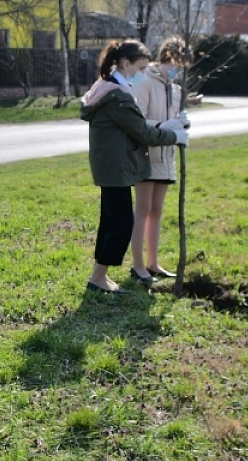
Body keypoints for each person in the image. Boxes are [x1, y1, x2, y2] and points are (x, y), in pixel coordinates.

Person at [80, 39, 187, 292]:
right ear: (125, 64)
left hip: (111, 164)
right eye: (140, 68)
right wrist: (174, 135)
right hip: (115, 166)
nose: (142, 74)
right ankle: (98, 277)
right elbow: (142, 132)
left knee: (111, 221)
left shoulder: (107, 88)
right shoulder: (117, 96)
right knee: (120, 224)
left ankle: (99, 275)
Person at [129, 37, 189, 284]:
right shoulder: (145, 82)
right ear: (165, 58)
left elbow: (175, 121)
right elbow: (138, 121)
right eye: (176, 63)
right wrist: (165, 127)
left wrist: (182, 125)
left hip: (166, 157)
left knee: (157, 211)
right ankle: (138, 265)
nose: (178, 70)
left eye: (183, 66)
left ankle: (153, 263)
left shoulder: (176, 90)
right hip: (146, 155)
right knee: (142, 210)